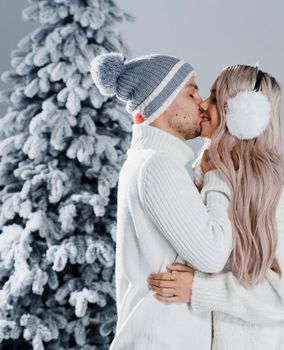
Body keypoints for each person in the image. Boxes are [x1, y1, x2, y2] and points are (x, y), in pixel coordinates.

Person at [148, 64, 284, 349]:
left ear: (240, 115)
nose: (202, 104)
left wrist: (200, 290)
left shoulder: (270, 194)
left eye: (214, 98)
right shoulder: (214, 179)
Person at [90, 52, 234, 350]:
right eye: (192, 92)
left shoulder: (151, 163)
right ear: (163, 101)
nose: (202, 103)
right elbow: (212, 254)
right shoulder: (158, 166)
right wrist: (217, 178)